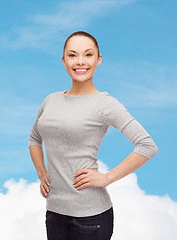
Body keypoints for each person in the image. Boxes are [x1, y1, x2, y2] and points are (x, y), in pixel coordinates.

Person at [28, 30, 159, 240]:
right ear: (63, 60)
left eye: (88, 55)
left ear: (98, 59)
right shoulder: (50, 100)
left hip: (91, 218)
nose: (80, 61)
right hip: (54, 212)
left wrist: (107, 178)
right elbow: (34, 139)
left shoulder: (105, 104)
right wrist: (42, 173)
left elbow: (147, 145)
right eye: (72, 55)